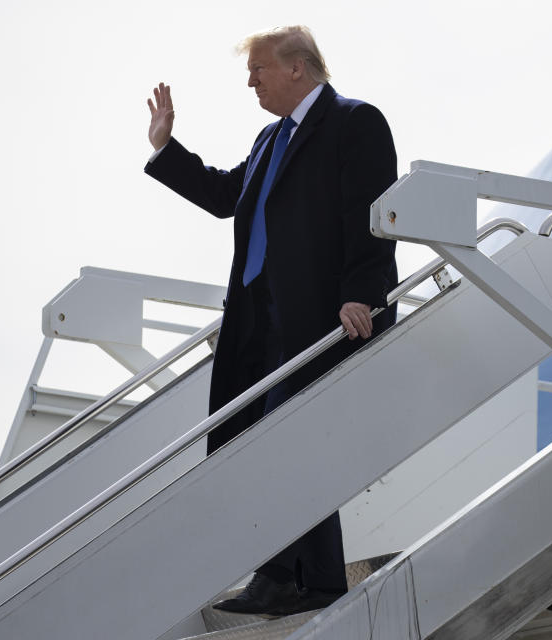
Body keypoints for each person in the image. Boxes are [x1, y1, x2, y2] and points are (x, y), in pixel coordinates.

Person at [144, 25, 398, 617]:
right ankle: (308, 577)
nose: (250, 81)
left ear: (298, 68)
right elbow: (226, 196)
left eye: (258, 69)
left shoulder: (355, 121)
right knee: (271, 443)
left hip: (323, 314)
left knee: (286, 439)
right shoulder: (268, 137)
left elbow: (373, 209)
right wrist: (165, 148)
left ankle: (292, 577)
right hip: (261, 320)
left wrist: (362, 292)